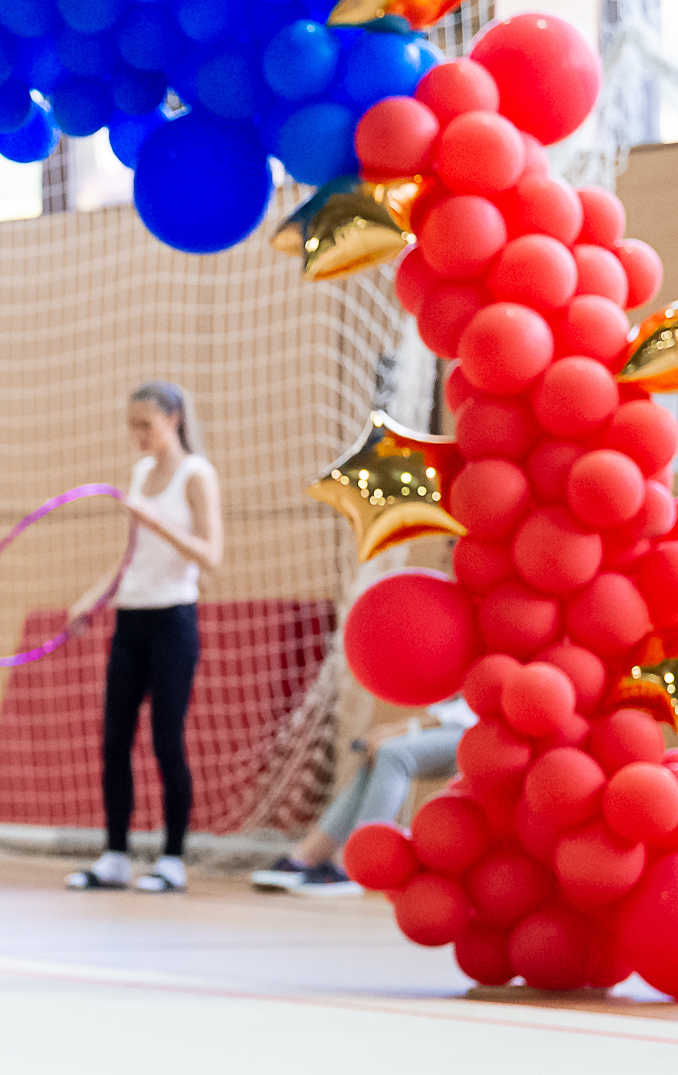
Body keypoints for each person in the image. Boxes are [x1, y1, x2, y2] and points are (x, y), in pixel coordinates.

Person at [65, 382, 223, 893]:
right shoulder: (139, 473)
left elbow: (211, 554)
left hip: (173, 618)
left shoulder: (197, 475)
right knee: (114, 740)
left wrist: (158, 521)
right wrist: (93, 597)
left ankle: (172, 857)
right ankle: (114, 855)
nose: (137, 435)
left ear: (173, 419)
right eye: (131, 425)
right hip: (130, 617)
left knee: (166, 740)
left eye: (146, 425)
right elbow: (132, 554)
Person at [251, 696, 477, 897]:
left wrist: (406, 727)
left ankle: (356, 864)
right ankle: (310, 854)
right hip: (456, 724)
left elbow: (468, 712)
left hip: (482, 732)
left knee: (393, 754)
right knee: (376, 753)